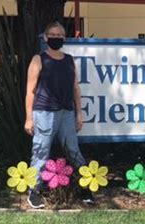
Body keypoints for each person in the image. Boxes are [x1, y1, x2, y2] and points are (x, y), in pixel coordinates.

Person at [24, 21, 94, 208]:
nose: (56, 38)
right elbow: (30, 91)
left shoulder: (69, 60)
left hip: (66, 113)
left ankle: (85, 188)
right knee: (41, 152)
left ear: (64, 38)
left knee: (73, 150)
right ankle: (34, 191)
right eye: (52, 35)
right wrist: (29, 118)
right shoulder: (38, 60)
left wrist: (79, 113)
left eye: (59, 35)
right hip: (44, 113)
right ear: (46, 38)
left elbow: (75, 89)